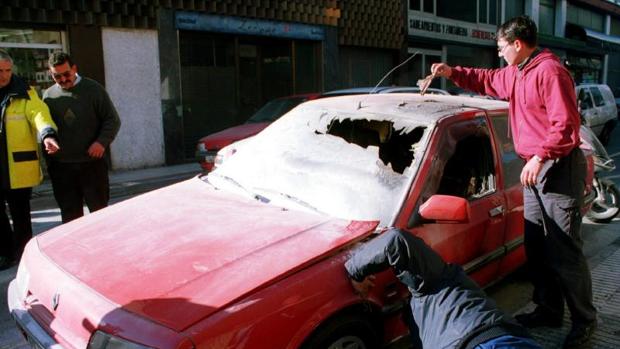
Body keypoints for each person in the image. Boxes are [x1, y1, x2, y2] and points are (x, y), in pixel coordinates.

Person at [430, 16, 597, 348]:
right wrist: (452, 73)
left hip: (558, 168)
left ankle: (585, 320)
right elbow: (488, 79)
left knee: (565, 251)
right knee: (536, 247)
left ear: (517, 44)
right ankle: (548, 309)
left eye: (501, 47)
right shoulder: (518, 72)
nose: (499, 53)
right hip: (535, 170)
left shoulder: (549, 72)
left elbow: (566, 125)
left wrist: (540, 156)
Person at [345, 228, 542, 349]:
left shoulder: (437, 279)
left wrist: (354, 271)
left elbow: (396, 239)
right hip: (511, 337)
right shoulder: (444, 283)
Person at [43, 52, 121, 223]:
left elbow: (112, 120)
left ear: (74, 69)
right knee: (70, 218)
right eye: (57, 76)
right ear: (51, 74)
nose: (63, 79)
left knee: (99, 214)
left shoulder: (93, 89)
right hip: (62, 168)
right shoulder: (48, 96)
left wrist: (101, 142)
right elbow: (44, 125)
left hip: (92, 164)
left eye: (66, 74)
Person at [0, 49, 59, 269]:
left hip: (17, 166)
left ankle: (24, 254)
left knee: (21, 213)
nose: (4, 75)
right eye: (0, 71)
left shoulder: (24, 92)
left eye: (7, 70)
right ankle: (5, 253)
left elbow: (39, 114)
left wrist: (47, 134)